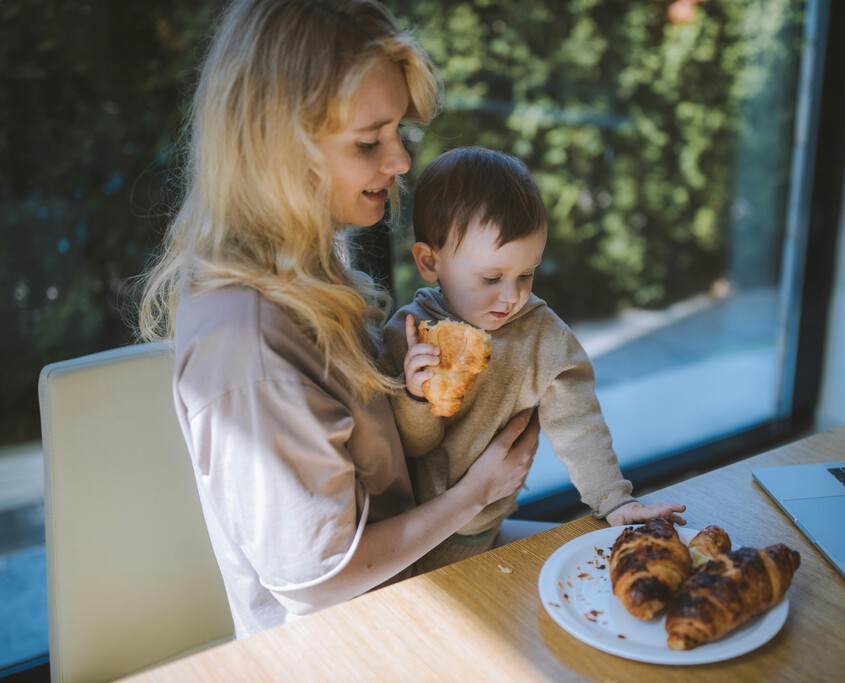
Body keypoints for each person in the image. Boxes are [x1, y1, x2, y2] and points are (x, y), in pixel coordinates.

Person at [135, 0, 541, 639]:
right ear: (277, 147)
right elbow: (320, 585)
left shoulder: (306, 258)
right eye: (369, 141)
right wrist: (476, 491)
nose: (402, 161)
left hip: (417, 580)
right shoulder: (248, 350)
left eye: (398, 130)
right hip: (353, 641)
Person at [379, 147, 686, 573]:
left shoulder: (543, 338)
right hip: (412, 539)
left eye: (527, 274)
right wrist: (414, 394)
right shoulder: (408, 334)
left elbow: (579, 425)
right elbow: (414, 445)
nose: (513, 296)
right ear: (430, 262)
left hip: (488, 526)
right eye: (491, 278)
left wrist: (614, 499)